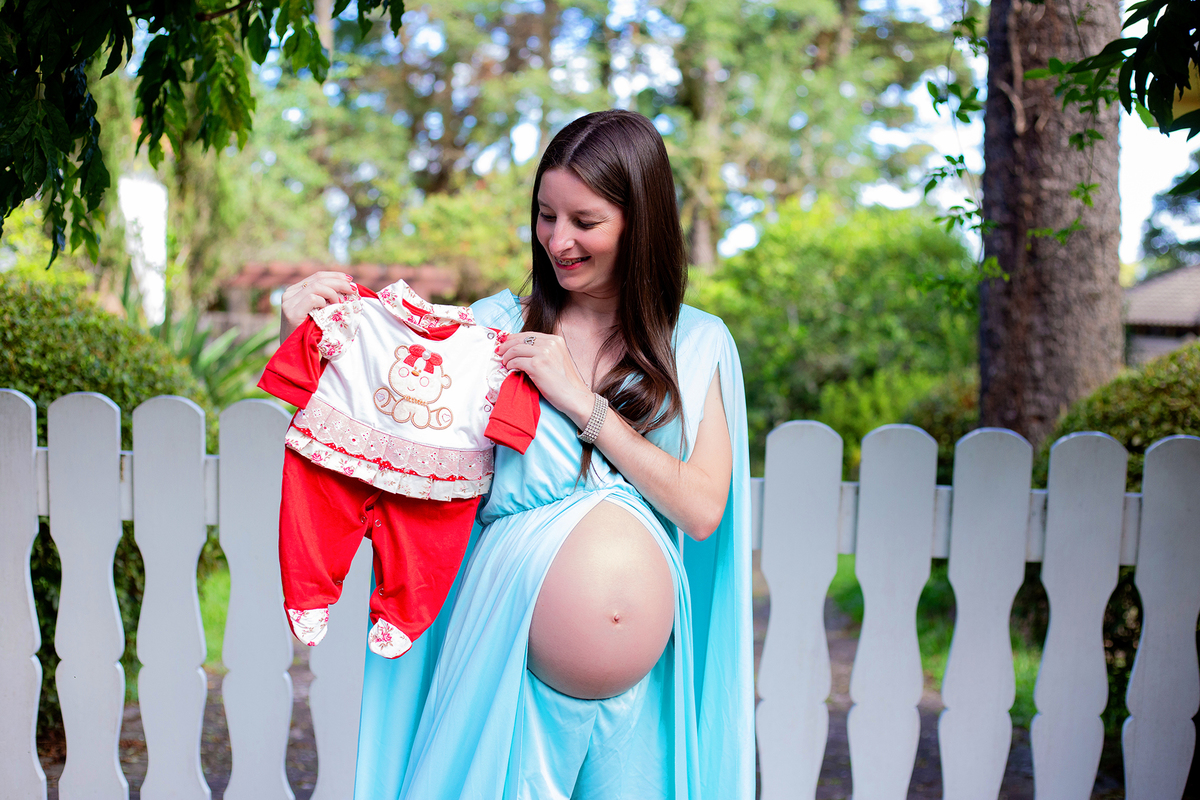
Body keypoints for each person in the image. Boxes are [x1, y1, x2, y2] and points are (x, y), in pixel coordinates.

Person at [278, 109, 754, 800]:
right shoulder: (492, 332)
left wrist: (581, 405)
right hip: (506, 675)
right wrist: (312, 337)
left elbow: (702, 509)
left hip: (644, 699)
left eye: (584, 221)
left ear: (640, 221)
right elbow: (379, 432)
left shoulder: (700, 343)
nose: (558, 240)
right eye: (545, 215)